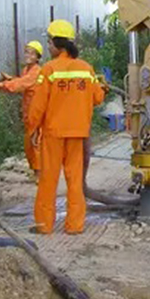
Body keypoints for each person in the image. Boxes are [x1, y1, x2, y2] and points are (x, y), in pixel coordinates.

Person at [27, 20, 104, 235]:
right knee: (75, 180)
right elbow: (98, 97)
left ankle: (44, 225)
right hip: (78, 133)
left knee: (48, 181)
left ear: (56, 44)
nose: (48, 46)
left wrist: (32, 129)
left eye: (49, 42)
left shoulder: (48, 70)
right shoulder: (86, 69)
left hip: (53, 133)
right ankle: (75, 225)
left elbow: (37, 106)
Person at [0, 40, 43, 177]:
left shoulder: (36, 72)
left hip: (36, 113)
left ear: (38, 57)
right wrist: (10, 78)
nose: (28, 55)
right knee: (30, 145)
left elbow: (21, 85)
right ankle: (36, 172)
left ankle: (40, 175)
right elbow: (23, 81)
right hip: (29, 114)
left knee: (36, 144)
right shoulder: (27, 70)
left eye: (31, 53)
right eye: (26, 52)